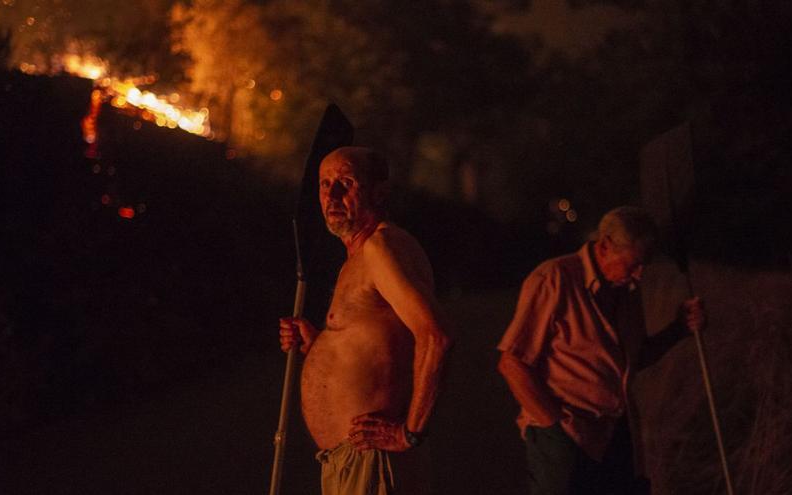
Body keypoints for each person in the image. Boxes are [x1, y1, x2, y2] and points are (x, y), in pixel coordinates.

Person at [496, 206, 706, 495]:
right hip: (567, 435)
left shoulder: (627, 290)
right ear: (605, 245)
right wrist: (555, 427)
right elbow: (512, 363)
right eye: (633, 264)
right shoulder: (554, 280)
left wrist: (679, 329)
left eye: (644, 265)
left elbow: (633, 358)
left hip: (616, 434)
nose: (638, 275)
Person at [279, 146, 452, 495]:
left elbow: (436, 336)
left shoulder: (381, 248)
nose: (333, 194)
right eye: (325, 184)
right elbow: (376, 340)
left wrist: (410, 433)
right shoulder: (357, 257)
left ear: (379, 192)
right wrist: (317, 345)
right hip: (350, 462)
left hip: (374, 463)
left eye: (346, 182)